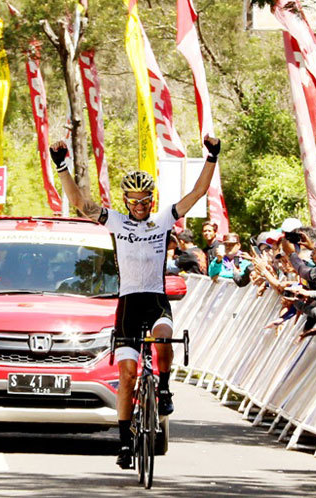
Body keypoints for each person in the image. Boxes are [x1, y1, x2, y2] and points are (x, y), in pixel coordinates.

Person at [49, 135, 221, 469]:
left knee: (163, 341)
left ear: (151, 199)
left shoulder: (163, 220)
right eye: (135, 200)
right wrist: (62, 166)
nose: (141, 205)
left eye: (145, 200)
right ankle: (125, 443)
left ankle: (166, 389)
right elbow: (81, 203)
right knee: (127, 376)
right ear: (126, 200)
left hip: (155, 300)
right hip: (128, 303)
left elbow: (198, 193)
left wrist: (212, 157)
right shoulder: (116, 221)